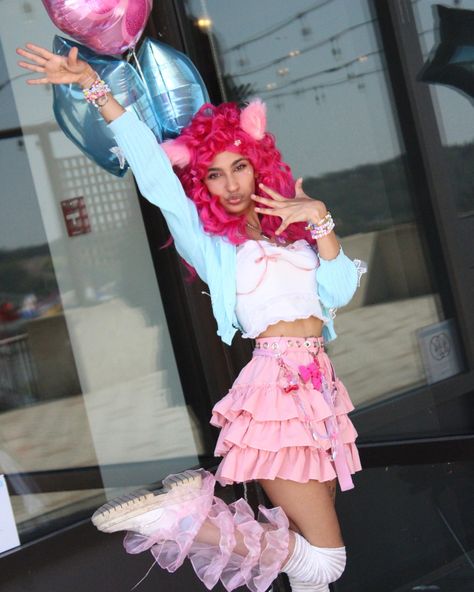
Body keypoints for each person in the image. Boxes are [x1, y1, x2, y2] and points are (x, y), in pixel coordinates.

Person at [17, 42, 367, 592]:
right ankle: (178, 519)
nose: (230, 184)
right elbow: (154, 172)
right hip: (276, 394)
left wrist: (319, 220)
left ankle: (184, 520)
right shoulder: (213, 248)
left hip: (319, 391)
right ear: (199, 186)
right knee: (325, 561)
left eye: (239, 167)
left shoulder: (294, 231)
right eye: (213, 175)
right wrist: (94, 85)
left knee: (306, 568)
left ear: (259, 165)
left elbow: (340, 290)